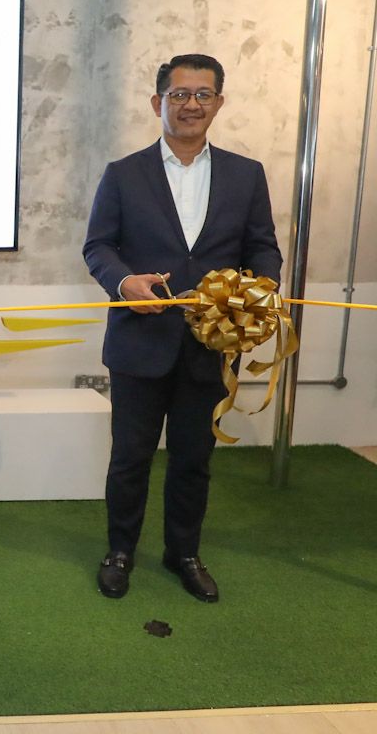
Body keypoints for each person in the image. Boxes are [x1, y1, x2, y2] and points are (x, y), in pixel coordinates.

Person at [83, 54, 282, 603]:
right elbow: (98, 247)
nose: (191, 104)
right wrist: (124, 283)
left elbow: (263, 248)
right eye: (179, 95)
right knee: (130, 459)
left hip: (211, 347)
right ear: (158, 103)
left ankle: (183, 553)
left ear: (219, 103)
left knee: (194, 460)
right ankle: (120, 551)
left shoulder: (246, 174)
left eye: (202, 94)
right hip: (139, 344)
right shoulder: (123, 174)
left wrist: (257, 292)